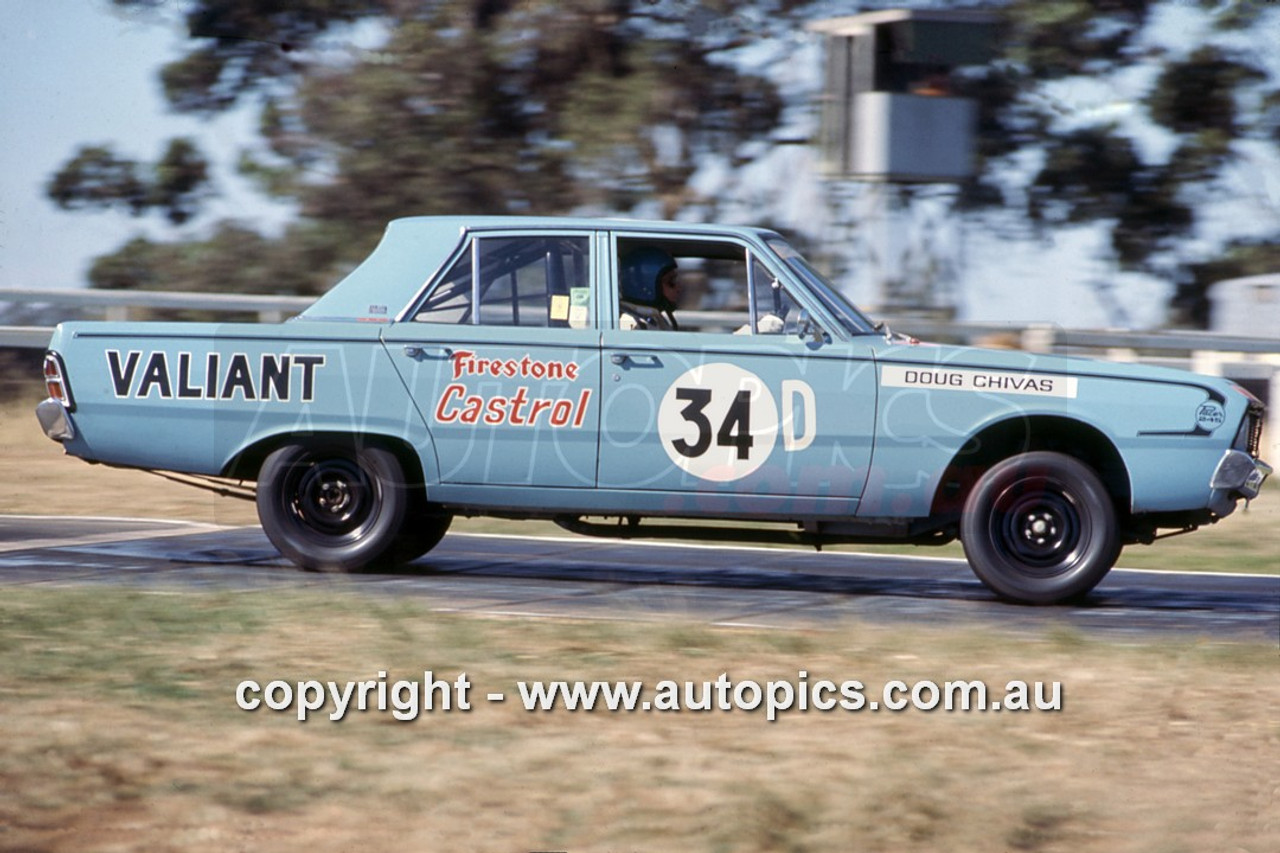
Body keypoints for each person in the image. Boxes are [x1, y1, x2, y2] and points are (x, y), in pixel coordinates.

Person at [618, 247, 680, 331]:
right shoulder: (629, 324)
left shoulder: (653, 319)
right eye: (670, 282)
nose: (678, 289)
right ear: (647, 285)